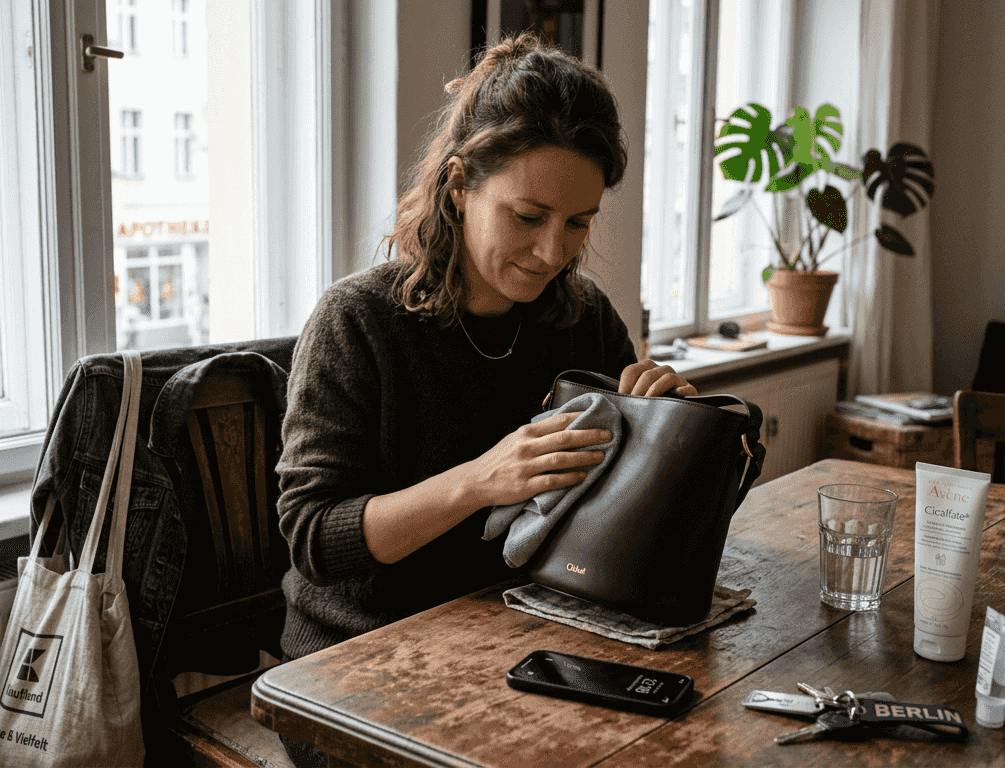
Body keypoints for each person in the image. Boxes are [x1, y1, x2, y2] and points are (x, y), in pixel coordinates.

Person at [274, 33, 695, 767]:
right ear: (461, 184)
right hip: (357, 665)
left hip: (523, 638)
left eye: (580, 222)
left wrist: (675, 426)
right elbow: (315, 540)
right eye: (528, 217)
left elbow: (644, 506)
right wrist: (480, 480)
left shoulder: (579, 315)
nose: (552, 252)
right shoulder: (357, 323)